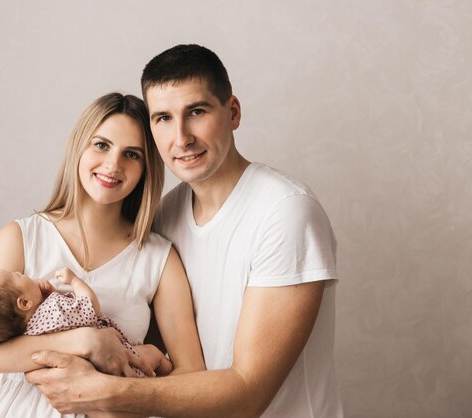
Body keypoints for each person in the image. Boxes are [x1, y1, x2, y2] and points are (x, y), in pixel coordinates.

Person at [26, 44, 343, 417]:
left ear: (233, 112)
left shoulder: (285, 211)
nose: (181, 137)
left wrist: (105, 393)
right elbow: (157, 356)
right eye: (162, 118)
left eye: (196, 112)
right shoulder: (165, 217)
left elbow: (248, 393)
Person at [0, 92, 205, 418]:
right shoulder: (21, 236)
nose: (113, 164)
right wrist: (88, 341)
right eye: (102, 145)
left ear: (146, 169)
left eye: (131, 154)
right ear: (80, 147)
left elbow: (191, 377)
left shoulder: (159, 260)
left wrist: (120, 400)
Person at [0, 267, 172, 377]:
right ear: (23, 303)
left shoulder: (26, 332)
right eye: (18, 276)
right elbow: (89, 308)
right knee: (153, 354)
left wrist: (50, 295)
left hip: (83, 374)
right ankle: (168, 373)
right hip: (111, 360)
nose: (24, 274)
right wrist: (74, 282)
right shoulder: (54, 309)